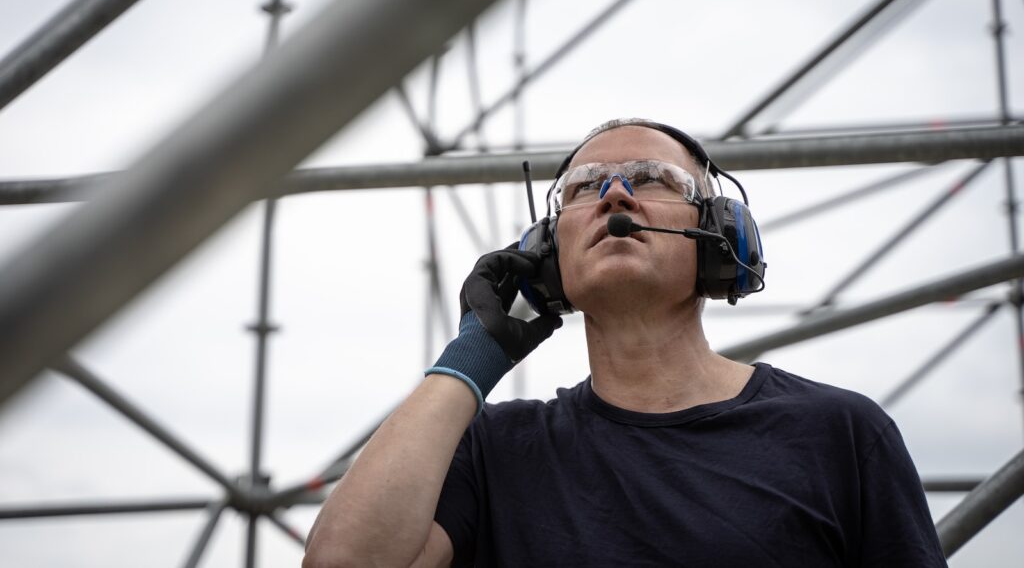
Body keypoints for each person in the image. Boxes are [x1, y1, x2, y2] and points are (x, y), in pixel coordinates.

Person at [303, 119, 947, 567]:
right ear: (548, 256)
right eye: (584, 188)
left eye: (651, 178)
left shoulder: (838, 431)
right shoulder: (494, 449)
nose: (614, 193)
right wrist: (474, 356)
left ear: (723, 238)